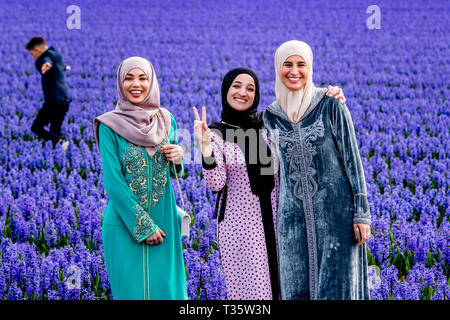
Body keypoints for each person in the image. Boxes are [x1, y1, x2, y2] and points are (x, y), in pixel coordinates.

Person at [193, 68, 345, 300]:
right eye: (236, 86)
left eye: (250, 88)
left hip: (281, 224)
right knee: (255, 295)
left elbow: (308, 117)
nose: (242, 92)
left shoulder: (270, 123)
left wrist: (329, 98)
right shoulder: (216, 133)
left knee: (288, 290)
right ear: (225, 90)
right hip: (241, 229)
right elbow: (216, 184)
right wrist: (205, 148)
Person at [263, 40, 371, 300]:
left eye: (301, 64)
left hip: (337, 220)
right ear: (277, 68)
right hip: (292, 224)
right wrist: (208, 144)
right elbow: (265, 169)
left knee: (337, 289)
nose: (294, 71)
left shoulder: (331, 104)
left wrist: (362, 213)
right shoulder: (270, 116)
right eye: (287, 64)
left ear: (310, 68)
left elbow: (352, 160)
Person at [93, 56, 187, 300]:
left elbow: (173, 172)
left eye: (143, 78)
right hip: (124, 223)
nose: (136, 84)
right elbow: (113, 182)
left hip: (164, 219)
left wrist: (178, 157)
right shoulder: (108, 125)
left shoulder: (166, 120)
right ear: (120, 83)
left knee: (167, 290)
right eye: (129, 78)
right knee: (130, 292)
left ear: (152, 81)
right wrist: (143, 226)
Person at [26, 36, 71, 149]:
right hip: (64, 100)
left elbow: (47, 60)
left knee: (36, 127)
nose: (33, 57)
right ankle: (60, 149)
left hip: (53, 101)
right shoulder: (56, 54)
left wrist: (46, 64)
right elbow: (55, 63)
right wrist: (64, 67)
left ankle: (59, 142)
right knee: (55, 129)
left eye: (32, 54)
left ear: (38, 50)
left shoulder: (44, 58)